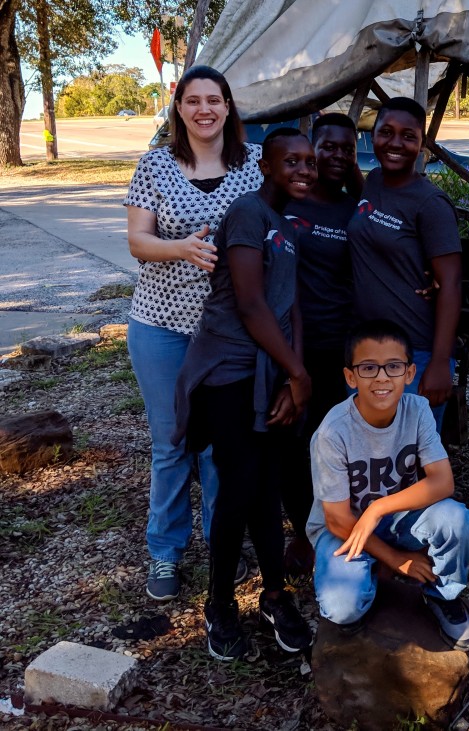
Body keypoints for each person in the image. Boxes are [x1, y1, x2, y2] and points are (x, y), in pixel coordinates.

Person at [174, 128, 317, 661]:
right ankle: (218, 604)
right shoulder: (247, 213)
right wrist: (298, 375)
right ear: (266, 167)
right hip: (229, 370)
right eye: (291, 162)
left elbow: (290, 307)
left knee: (267, 486)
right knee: (238, 488)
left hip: (270, 371)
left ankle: (275, 594)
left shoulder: (287, 226)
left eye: (309, 161)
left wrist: (292, 376)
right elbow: (253, 306)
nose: (303, 169)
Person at [124, 64, 262, 602]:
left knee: (222, 446)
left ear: (229, 106)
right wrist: (180, 248)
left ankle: (221, 542)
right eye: (193, 101)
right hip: (160, 326)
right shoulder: (156, 165)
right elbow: (138, 241)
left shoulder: (254, 165)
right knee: (172, 442)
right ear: (179, 109)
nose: (204, 109)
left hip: (228, 332)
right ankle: (164, 552)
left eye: (214, 99)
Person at [306, 319, 469, 650]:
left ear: (409, 374)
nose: (382, 377)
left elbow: (443, 483)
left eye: (393, 366)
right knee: (343, 610)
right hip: (346, 528)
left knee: (454, 517)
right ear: (350, 377)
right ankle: (370, 574)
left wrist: (379, 508)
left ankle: (443, 594)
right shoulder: (333, 431)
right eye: (369, 367)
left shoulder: (418, 410)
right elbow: (337, 519)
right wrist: (396, 559)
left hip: (398, 519)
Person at [346, 97, 462, 431]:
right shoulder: (374, 182)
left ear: (422, 143)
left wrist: (440, 362)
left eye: (408, 136)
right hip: (367, 349)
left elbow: (451, 284)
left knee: (413, 455)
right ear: (374, 134)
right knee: (371, 451)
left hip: (415, 352)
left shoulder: (430, 203)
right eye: (386, 132)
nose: (395, 143)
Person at [281, 112, 363, 576]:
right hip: (292, 348)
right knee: (294, 443)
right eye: (327, 147)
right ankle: (301, 530)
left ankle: (336, 524)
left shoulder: (356, 206)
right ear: (312, 149)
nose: (335, 155)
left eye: (346, 148)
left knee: (333, 442)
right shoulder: (290, 201)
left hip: (341, 348)